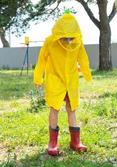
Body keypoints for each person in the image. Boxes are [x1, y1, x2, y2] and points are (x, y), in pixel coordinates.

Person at [34, 12, 92, 156]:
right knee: (54, 108)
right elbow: (41, 60)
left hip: (71, 81)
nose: (67, 40)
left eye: (70, 37)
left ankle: (75, 142)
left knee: (72, 109)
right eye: (64, 37)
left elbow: (83, 59)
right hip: (55, 79)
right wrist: (37, 78)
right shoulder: (50, 41)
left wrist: (87, 74)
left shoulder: (78, 42)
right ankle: (53, 142)